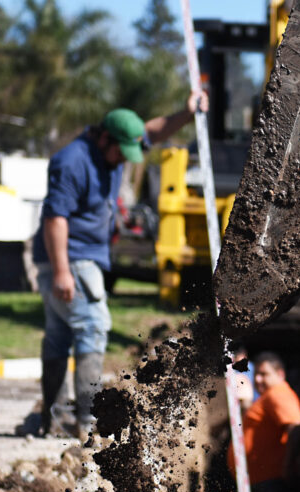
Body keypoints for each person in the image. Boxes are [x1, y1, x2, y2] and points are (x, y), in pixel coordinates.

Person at [34, 92, 207, 439]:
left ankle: (51, 420)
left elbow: (153, 132)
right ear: (103, 137)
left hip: (75, 256)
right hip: (70, 255)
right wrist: (63, 271)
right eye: (119, 153)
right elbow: (55, 218)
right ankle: (88, 423)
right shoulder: (73, 161)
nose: (122, 161)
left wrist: (186, 114)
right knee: (93, 326)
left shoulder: (116, 145)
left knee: (59, 334)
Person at [227, 351, 300, 492]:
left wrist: (288, 466)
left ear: (280, 374)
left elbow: (295, 428)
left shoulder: (278, 393)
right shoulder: (267, 398)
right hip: (261, 483)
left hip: (272, 482)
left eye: (265, 374)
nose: (259, 380)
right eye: (257, 375)